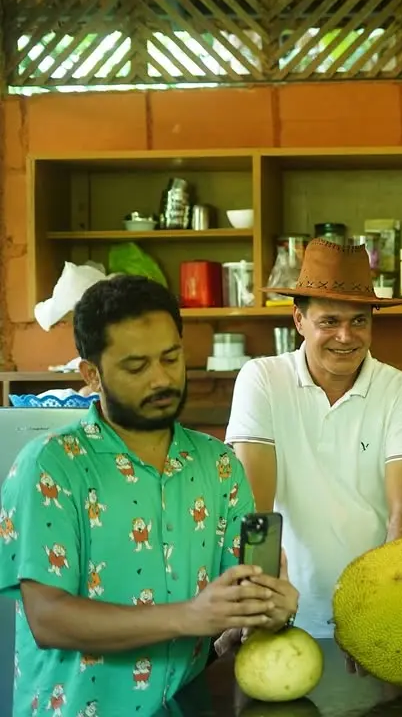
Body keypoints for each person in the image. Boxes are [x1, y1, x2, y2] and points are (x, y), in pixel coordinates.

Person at [0, 274, 298, 715]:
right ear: (92, 374)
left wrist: (270, 607)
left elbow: (242, 596)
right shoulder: (52, 465)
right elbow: (49, 618)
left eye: (171, 358)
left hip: (185, 707)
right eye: (137, 367)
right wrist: (189, 615)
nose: (161, 379)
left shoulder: (218, 466)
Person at [225, 238, 402, 644]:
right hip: (285, 616)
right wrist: (258, 608)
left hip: (373, 614)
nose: (345, 336)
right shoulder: (262, 379)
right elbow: (256, 512)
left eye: (359, 321)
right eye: (328, 321)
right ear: (298, 320)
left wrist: (384, 615)